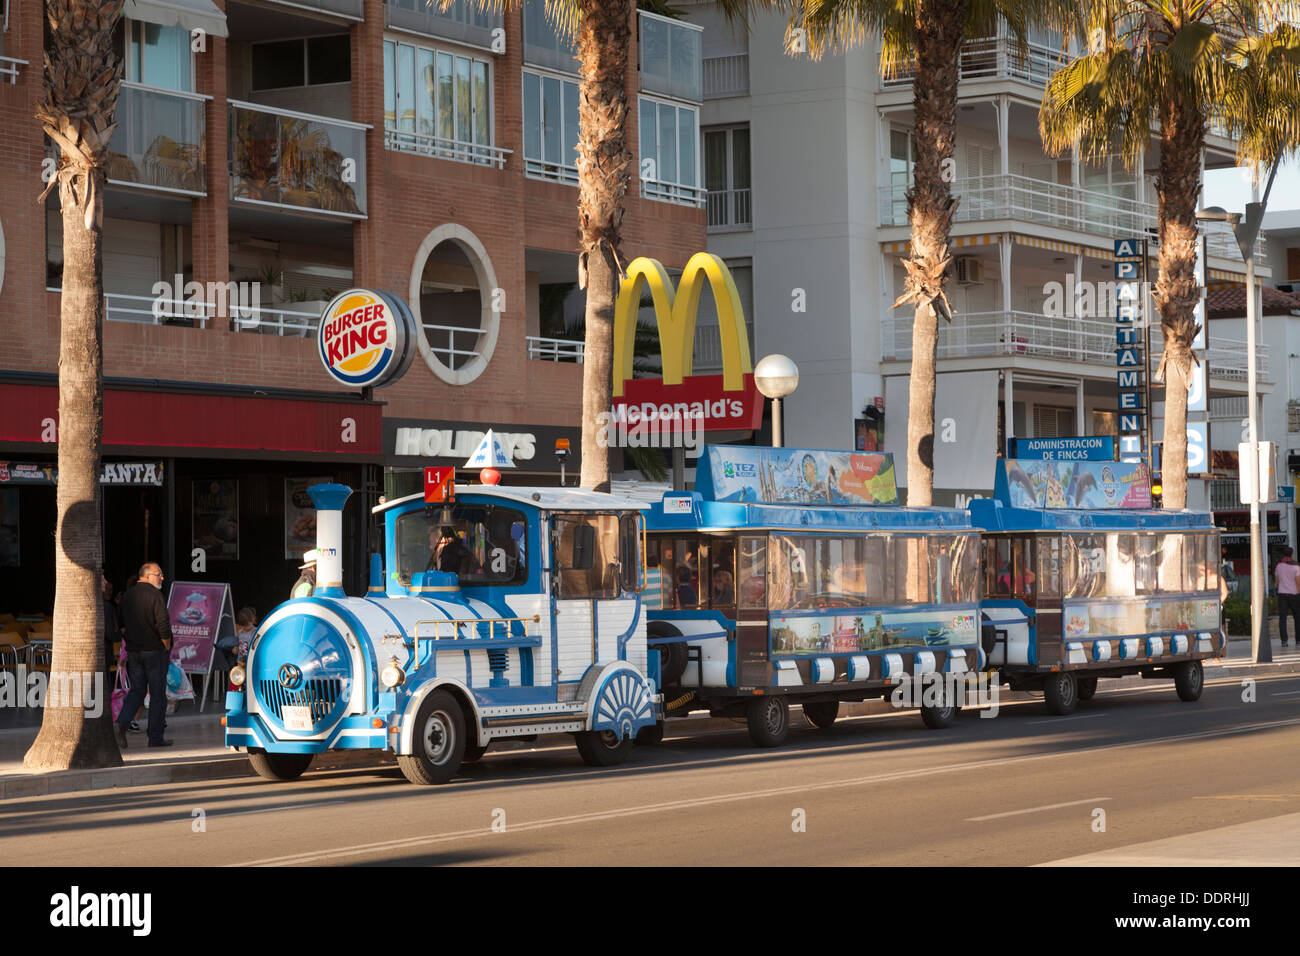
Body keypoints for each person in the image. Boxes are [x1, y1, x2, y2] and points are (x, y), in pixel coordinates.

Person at [115, 562, 174, 748]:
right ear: (147, 576)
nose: (162, 578)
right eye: (159, 575)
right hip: (154, 652)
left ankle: (121, 723)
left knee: (137, 691)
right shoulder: (156, 595)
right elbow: (163, 624)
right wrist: (166, 645)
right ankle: (155, 737)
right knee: (157, 695)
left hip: (134, 652)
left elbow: (121, 623)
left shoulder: (127, 596)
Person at [1275, 547, 1300, 647]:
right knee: (1297, 617)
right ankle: (1298, 640)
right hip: (1294, 595)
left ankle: (1284, 641)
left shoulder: (1279, 566)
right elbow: (1298, 583)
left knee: (1282, 618)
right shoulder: (1296, 567)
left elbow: (1277, 582)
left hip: (1282, 595)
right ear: (1292, 555)